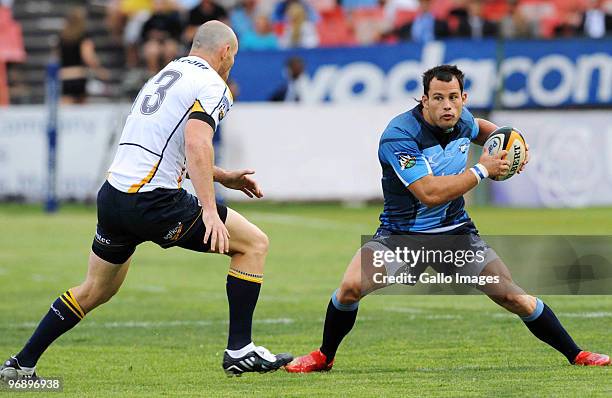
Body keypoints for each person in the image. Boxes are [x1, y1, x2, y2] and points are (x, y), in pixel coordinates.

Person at [0, 20, 292, 381]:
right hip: (153, 202)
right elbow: (196, 142)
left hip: (114, 198)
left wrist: (222, 175)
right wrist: (209, 208)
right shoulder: (214, 84)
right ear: (225, 52)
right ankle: (240, 349)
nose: (232, 64)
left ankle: (21, 364)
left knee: (96, 290)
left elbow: (161, 150)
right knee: (253, 245)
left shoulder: (167, 74)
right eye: (233, 56)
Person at [285, 64, 610, 373]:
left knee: (514, 296)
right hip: (402, 238)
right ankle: (323, 356)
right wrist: (483, 169)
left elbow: (482, 128)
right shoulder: (400, 136)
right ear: (424, 100)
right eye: (438, 98)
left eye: (453, 98)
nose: (447, 106)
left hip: (456, 234)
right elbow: (428, 193)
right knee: (350, 288)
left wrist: (513, 147)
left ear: (463, 99)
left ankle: (577, 354)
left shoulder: (462, 120)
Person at [58, 7, 110, 104]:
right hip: (79, 76)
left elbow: (57, 56)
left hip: (64, 76)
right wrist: (100, 71)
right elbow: (88, 56)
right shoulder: (83, 36)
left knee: (66, 110)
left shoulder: (62, 37)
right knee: (80, 111)